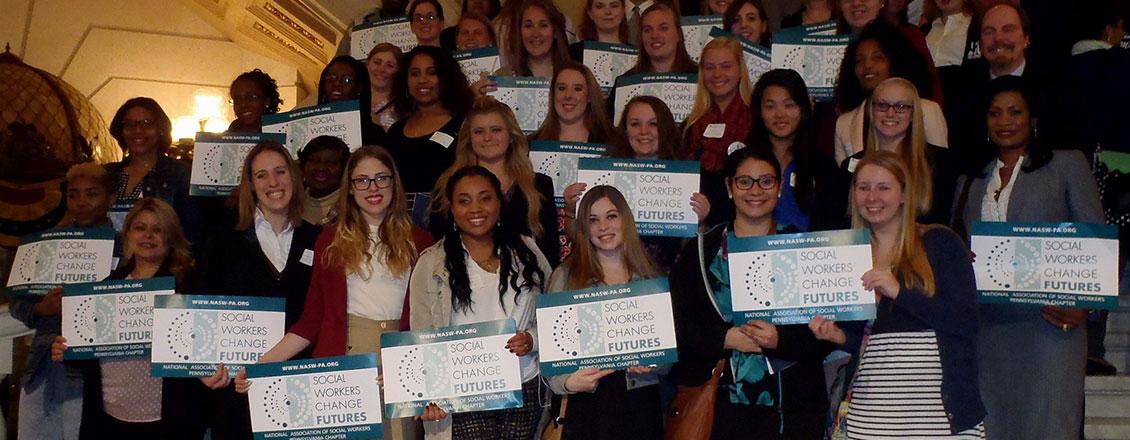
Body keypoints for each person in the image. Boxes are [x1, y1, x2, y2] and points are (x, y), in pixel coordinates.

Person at [232, 145, 434, 440]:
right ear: (350, 188)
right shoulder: (329, 240)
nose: (372, 188)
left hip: (397, 369)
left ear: (394, 182)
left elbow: (429, 320)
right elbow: (312, 320)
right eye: (362, 180)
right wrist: (260, 367)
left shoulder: (422, 241)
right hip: (340, 370)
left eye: (381, 178)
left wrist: (413, 368)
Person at [950, 76, 1101, 440]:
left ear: (1034, 119)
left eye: (1015, 112)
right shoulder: (969, 179)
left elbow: (1095, 240)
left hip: (1051, 327)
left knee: (1051, 427)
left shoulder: (1067, 165)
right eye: (995, 113)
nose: (1005, 121)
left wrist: (1085, 306)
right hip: (989, 332)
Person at [810, 151, 986, 438]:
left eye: (884, 187)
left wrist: (899, 292)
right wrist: (838, 337)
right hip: (872, 416)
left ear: (904, 194)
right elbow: (867, 340)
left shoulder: (941, 242)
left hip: (940, 417)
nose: (872, 196)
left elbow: (965, 323)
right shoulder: (849, 257)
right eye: (863, 187)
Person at [668, 146, 835, 439]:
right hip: (718, 407)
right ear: (729, 187)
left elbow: (824, 334)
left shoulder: (803, 248)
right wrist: (723, 339)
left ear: (780, 187)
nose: (755, 190)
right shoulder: (701, 250)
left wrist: (780, 339)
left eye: (766, 181)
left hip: (792, 409)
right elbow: (676, 324)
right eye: (744, 181)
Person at [411, 166, 551, 440]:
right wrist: (426, 392)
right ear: (451, 208)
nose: (476, 208)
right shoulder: (431, 262)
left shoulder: (527, 251)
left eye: (485, 198)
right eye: (464, 201)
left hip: (525, 387)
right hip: (463, 395)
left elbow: (554, 314)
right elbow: (421, 335)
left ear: (500, 202)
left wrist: (532, 339)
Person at [193, 142, 320, 439]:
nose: (273, 183)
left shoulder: (318, 238)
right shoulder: (222, 236)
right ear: (250, 185)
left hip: (300, 386)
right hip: (239, 388)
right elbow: (199, 304)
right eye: (261, 175)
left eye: (280, 171)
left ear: (294, 177)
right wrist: (202, 368)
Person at [51, 198, 205, 439]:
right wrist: (66, 349)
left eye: (158, 229)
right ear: (128, 233)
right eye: (140, 227)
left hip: (169, 419)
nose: (148, 235)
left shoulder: (191, 287)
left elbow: (202, 351)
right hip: (109, 416)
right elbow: (86, 352)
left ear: (172, 237)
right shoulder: (107, 287)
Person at [545, 186, 665, 439]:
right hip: (588, 406)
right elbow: (551, 358)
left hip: (641, 406)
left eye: (611, 216)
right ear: (584, 228)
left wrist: (654, 362)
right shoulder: (565, 277)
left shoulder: (650, 276)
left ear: (625, 220)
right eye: (593, 220)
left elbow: (668, 359)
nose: (603, 227)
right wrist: (567, 382)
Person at [12, 163, 118, 440]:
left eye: (91, 194)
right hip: (41, 367)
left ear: (110, 199)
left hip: (93, 372)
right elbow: (17, 300)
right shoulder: (47, 244)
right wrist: (39, 308)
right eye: (73, 195)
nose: (81, 202)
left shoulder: (124, 246)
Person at [564, 96, 709, 271]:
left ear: (665, 129)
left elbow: (697, 252)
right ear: (625, 130)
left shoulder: (686, 179)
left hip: (668, 280)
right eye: (635, 124)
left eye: (653, 124)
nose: (643, 131)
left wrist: (699, 222)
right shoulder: (602, 174)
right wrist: (572, 210)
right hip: (610, 274)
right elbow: (577, 237)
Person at [428, 97, 560, 266]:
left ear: (511, 136)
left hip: (528, 285)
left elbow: (550, 253)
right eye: (478, 131)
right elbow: (439, 249)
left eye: (496, 130)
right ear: (468, 138)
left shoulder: (539, 185)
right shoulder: (447, 186)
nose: (487, 138)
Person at [530, 64, 621, 261]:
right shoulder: (530, 146)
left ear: (589, 96)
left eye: (577, 88)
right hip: (543, 248)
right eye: (561, 88)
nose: (568, 95)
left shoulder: (612, 144)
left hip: (597, 248)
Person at [842, 78, 955, 225]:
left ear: (913, 114)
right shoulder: (849, 168)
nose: (890, 113)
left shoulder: (941, 162)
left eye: (901, 106)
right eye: (882, 105)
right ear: (871, 111)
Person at [833, 20, 947, 165]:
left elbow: (941, 166)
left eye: (877, 58)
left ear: (894, 61)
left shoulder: (927, 110)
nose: (867, 65)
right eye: (859, 61)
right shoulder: (844, 123)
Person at [747, 69, 844, 232]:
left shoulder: (822, 166)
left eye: (789, 105)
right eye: (770, 106)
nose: (779, 114)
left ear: (803, 109)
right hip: (755, 252)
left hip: (810, 254)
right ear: (760, 112)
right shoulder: (744, 162)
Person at [386, 45, 474, 220]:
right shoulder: (395, 131)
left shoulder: (465, 123)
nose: (422, 80)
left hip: (448, 219)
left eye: (431, 72)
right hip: (400, 223)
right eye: (415, 73)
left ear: (446, 78)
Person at [104, 97, 199, 242]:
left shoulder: (180, 174)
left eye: (147, 123)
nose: (138, 130)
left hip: (162, 261)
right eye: (130, 124)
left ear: (161, 129)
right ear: (121, 131)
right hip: (106, 261)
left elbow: (192, 232)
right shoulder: (106, 174)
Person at [472, 0, 573, 97]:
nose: (535, 33)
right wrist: (476, 98)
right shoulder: (502, 78)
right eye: (528, 26)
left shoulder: (575, 76)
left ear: (555, 31)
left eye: (543, 25)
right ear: (520, 32)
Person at [684, 37, 753, 175]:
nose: (717, 74)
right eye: (710, 68)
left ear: (740, 70)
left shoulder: (757, 122)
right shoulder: (691, 127)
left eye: (726, 66)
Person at [316, 55, 385, 145]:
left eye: (347, 80)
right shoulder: (312, 126)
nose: (337, 84)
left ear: (359, 87)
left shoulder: (375, 134)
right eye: (332, 78)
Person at [624, 1, 699, 75]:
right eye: (647, 30)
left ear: (678, 35)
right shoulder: (626, 82)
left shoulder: (699, 77)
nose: (654, 36)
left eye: (663, 28)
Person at [298, 136, 350, 225]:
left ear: (344, 169)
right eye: (314, 161)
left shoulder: (352, 210)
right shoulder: (289, 205)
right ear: (302, 165)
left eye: (331, 162)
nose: (321, 168)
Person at [367, 43, 403, 130]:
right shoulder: (352, 100)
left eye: (389, 66)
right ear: (367, 64)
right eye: (377, 63)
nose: (381, 69)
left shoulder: (404, 106)